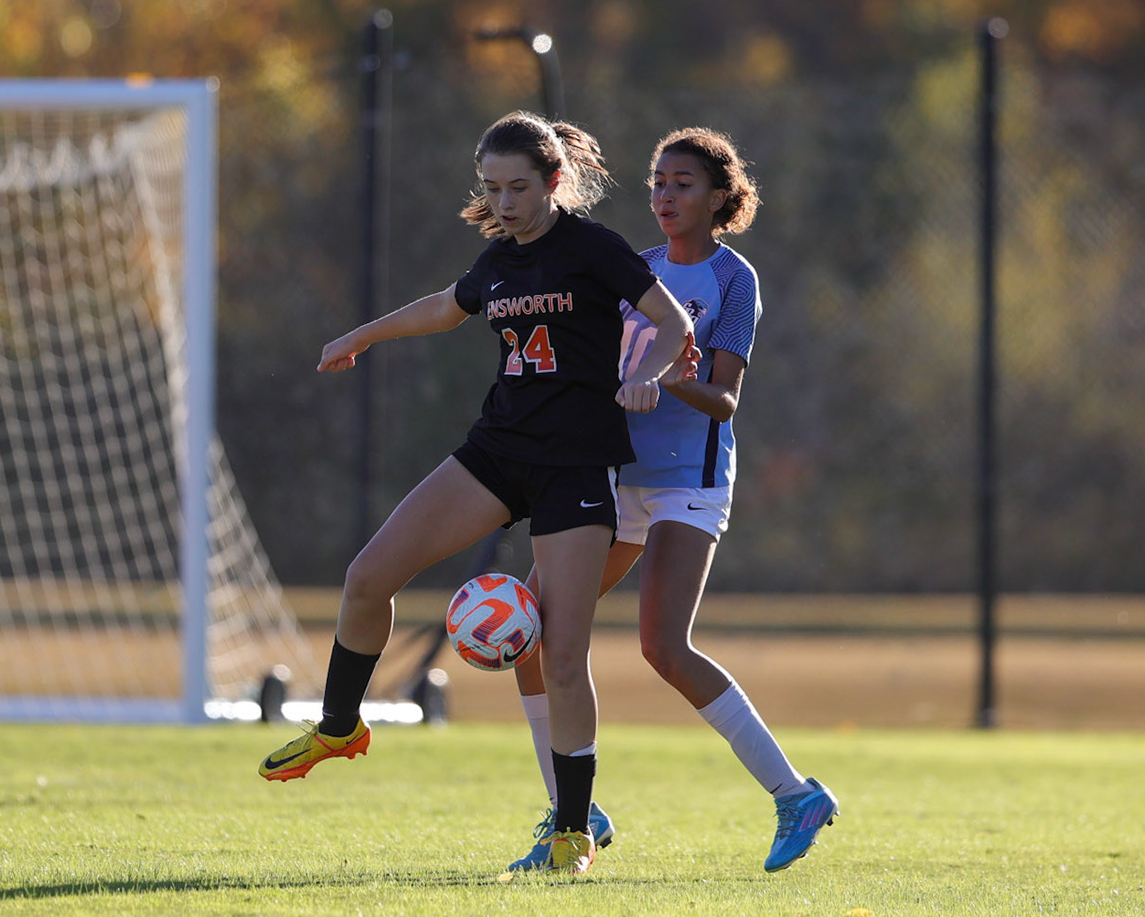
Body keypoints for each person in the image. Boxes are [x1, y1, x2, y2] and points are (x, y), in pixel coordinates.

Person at [258, 112, 690, 877]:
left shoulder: (593, 249)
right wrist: (362, 335)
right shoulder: (496, 262)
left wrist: (646, 375)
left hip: (577, 468)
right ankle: (337, 727)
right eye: (492, 188)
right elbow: (444, 306)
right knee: (367, 578)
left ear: (555, 181)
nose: (505, 201)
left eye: (519, 187)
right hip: (498, 454)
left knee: (562, 655)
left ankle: (571, 831)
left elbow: (671, 321)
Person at [507, 127, 838, 873]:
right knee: (530, 633)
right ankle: (574, 809)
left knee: (662, 646)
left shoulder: (733, 280)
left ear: (720, 196)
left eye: (682, 183)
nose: (665, 195)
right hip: (615, 477)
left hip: (689, 481)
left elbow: (722, 402)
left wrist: (669, 380)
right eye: (657, 182)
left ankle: (795, 796)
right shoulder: (642, 267)